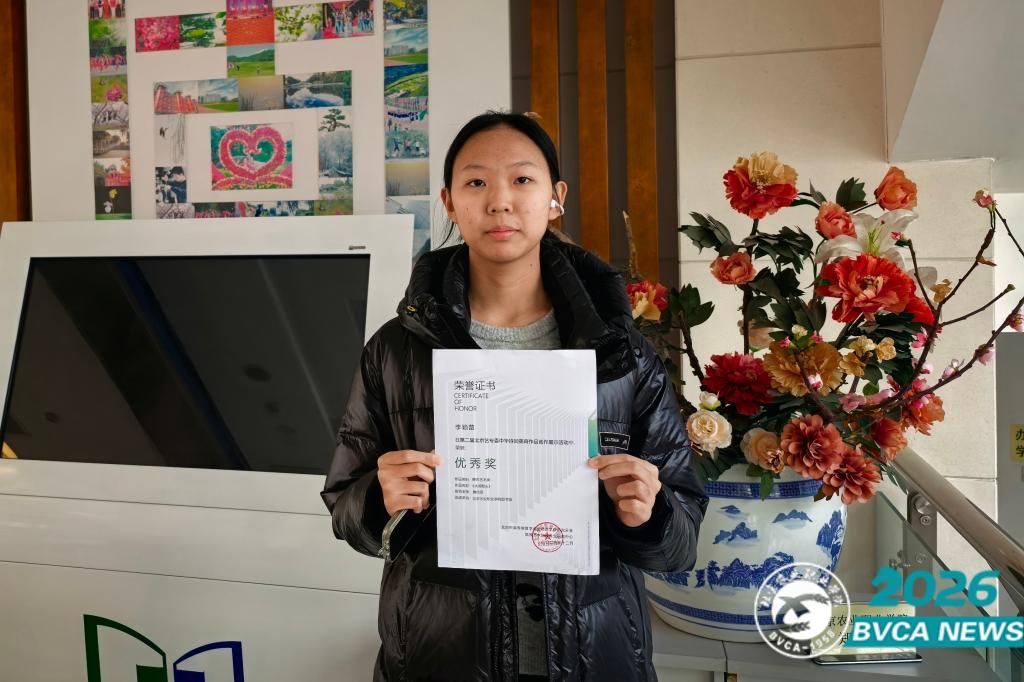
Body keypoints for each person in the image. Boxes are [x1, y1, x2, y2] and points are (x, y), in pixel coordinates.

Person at [321, 111, 708, 681]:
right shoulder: (395, 351)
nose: (499, 201)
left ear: (555, 199)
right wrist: (380, 499)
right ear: (450, 202)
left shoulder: (621, 352)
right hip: (438, 656)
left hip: (597, 656)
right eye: (476, 182)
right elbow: (346, 509)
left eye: (522, 180)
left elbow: (681, 539)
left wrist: (650, 513)